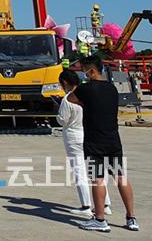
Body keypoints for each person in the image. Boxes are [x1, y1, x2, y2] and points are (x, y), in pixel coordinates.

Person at [68, 57, 138, 232]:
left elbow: (70, 98)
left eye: (84, 70)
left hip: (94, 141)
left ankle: (100, 219)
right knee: (120, 177)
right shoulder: (112, 88)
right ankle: (131, 218)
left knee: (97, 179)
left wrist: (83, 100)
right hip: (113, 139)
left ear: (91, 71)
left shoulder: (85, 88)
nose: (83, 74)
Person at [56, 69, 110, 219]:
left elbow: (62, 120)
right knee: (96, 171)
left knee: (79, 170)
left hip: (74, 136)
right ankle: (105, 204)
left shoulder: (68, 99)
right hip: (89, 133)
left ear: (65, 83)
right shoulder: (88, 95)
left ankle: (86, 205)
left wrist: (57, 114)